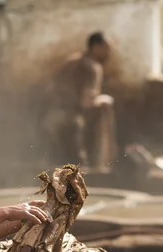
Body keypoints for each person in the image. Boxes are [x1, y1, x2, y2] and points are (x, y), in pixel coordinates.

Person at [42, 31, 118, 171]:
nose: (109, 53)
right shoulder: (91, 67)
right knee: (106, 105)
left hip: (51, 117)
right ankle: (101, 164)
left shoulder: (71, 60)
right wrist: (104, 100)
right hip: (71, 122)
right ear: (95, 47)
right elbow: (86, 102)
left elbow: (49, 89)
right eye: (107, 49)